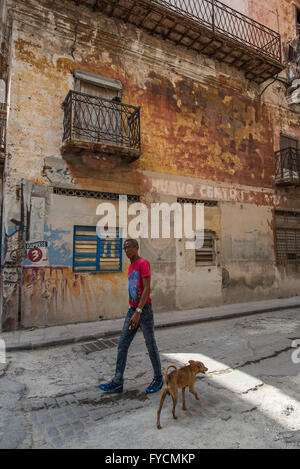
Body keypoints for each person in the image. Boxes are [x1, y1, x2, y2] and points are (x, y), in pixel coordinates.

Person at [99, 239, 163, 394]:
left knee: (150, 344)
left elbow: (147, 288)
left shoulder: (143, 263)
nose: (126, 250)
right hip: (133, 310)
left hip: (143, 311)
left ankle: (158, 378)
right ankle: (117, 381)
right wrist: (131, 308)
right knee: (122, 344)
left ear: (136, 247)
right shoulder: (131, 266)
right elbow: (133, 288)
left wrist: (138, 311)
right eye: (124, 248)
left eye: (129, 247)